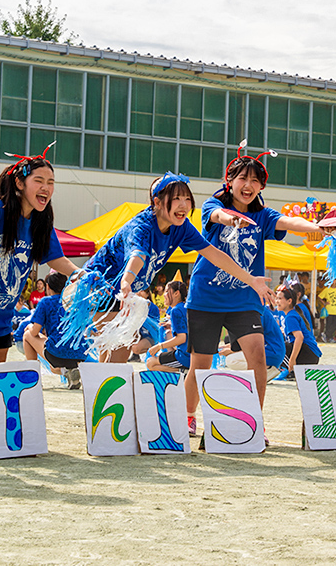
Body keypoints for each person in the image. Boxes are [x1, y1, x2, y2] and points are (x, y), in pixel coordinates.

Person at [183, 150, 320, 434]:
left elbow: (288, 222)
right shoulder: (212, 205)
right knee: (201, 364)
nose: (248, 185)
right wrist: (231, 220)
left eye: (255, 181)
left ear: (261, 187)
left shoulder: (263, 216)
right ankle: (187, 416)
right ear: (230, 181)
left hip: (245, 300)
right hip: (206, 297)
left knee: (257, 357)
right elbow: (217, 215)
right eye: (242, 178)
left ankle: (254, 421)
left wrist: (316, 227)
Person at [0, 147, 79, 446]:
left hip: (3, 307)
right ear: (20, 183)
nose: (46, 187)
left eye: (51, 182)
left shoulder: (41, 220)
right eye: (39, 180)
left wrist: (81, 274)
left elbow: (55, 258)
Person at [84, 173, 273, 370]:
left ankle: (94, 382)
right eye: (176, 199)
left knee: (116, 353)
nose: (184, 205)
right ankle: (91, 381)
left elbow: (214, 254)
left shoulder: (181, 227)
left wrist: (251, 279)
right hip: (102, 284)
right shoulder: (141, 227)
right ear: (157, 202)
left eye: (187, 199)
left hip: (124, 290)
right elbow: (137, 255)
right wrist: (126, 281)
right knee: (116, 352)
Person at [24, 271, 93, 392]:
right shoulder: (74, 301)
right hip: (80, 354)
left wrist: (29, 326)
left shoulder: (45, 301)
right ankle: (68, 371)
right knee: (55, 359)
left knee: (27, 335)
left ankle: (33, 379)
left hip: (56, 353)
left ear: (47, 287)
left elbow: (34, 332)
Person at [276, 284, 322, 378]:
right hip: (311, 355)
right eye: (276, 298)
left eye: (280, 299)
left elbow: (299, 337)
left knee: (278, 345)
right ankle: (291, 370)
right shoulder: (292, 314)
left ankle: (287, 370)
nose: (277, 301)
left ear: (289, 301)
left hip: (308, 354)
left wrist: (292, 360)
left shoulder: (290, 316)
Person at [146, 280, 189, 373]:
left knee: (150, 363)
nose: (164, 295)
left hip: (184, 357)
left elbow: (182, 338)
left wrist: (159, 346)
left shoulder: (175, 310)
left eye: (166, 291)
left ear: (176, 293)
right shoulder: (185, 307)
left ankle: (183, 372)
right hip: (193, 355)